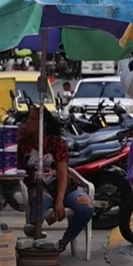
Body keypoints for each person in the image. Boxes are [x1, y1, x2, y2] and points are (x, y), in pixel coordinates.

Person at [17, 107, 94, 253]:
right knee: (41, 201)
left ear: (43, 124)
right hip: (38, 189)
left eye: (32, 119)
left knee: (86, 208)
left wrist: (59, 201)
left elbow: (63, 173)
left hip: (63, 187)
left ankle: (63, 242)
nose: (28, 122)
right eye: (28, 119)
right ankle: (36, 238)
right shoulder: (23, 144)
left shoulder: (56, 143)